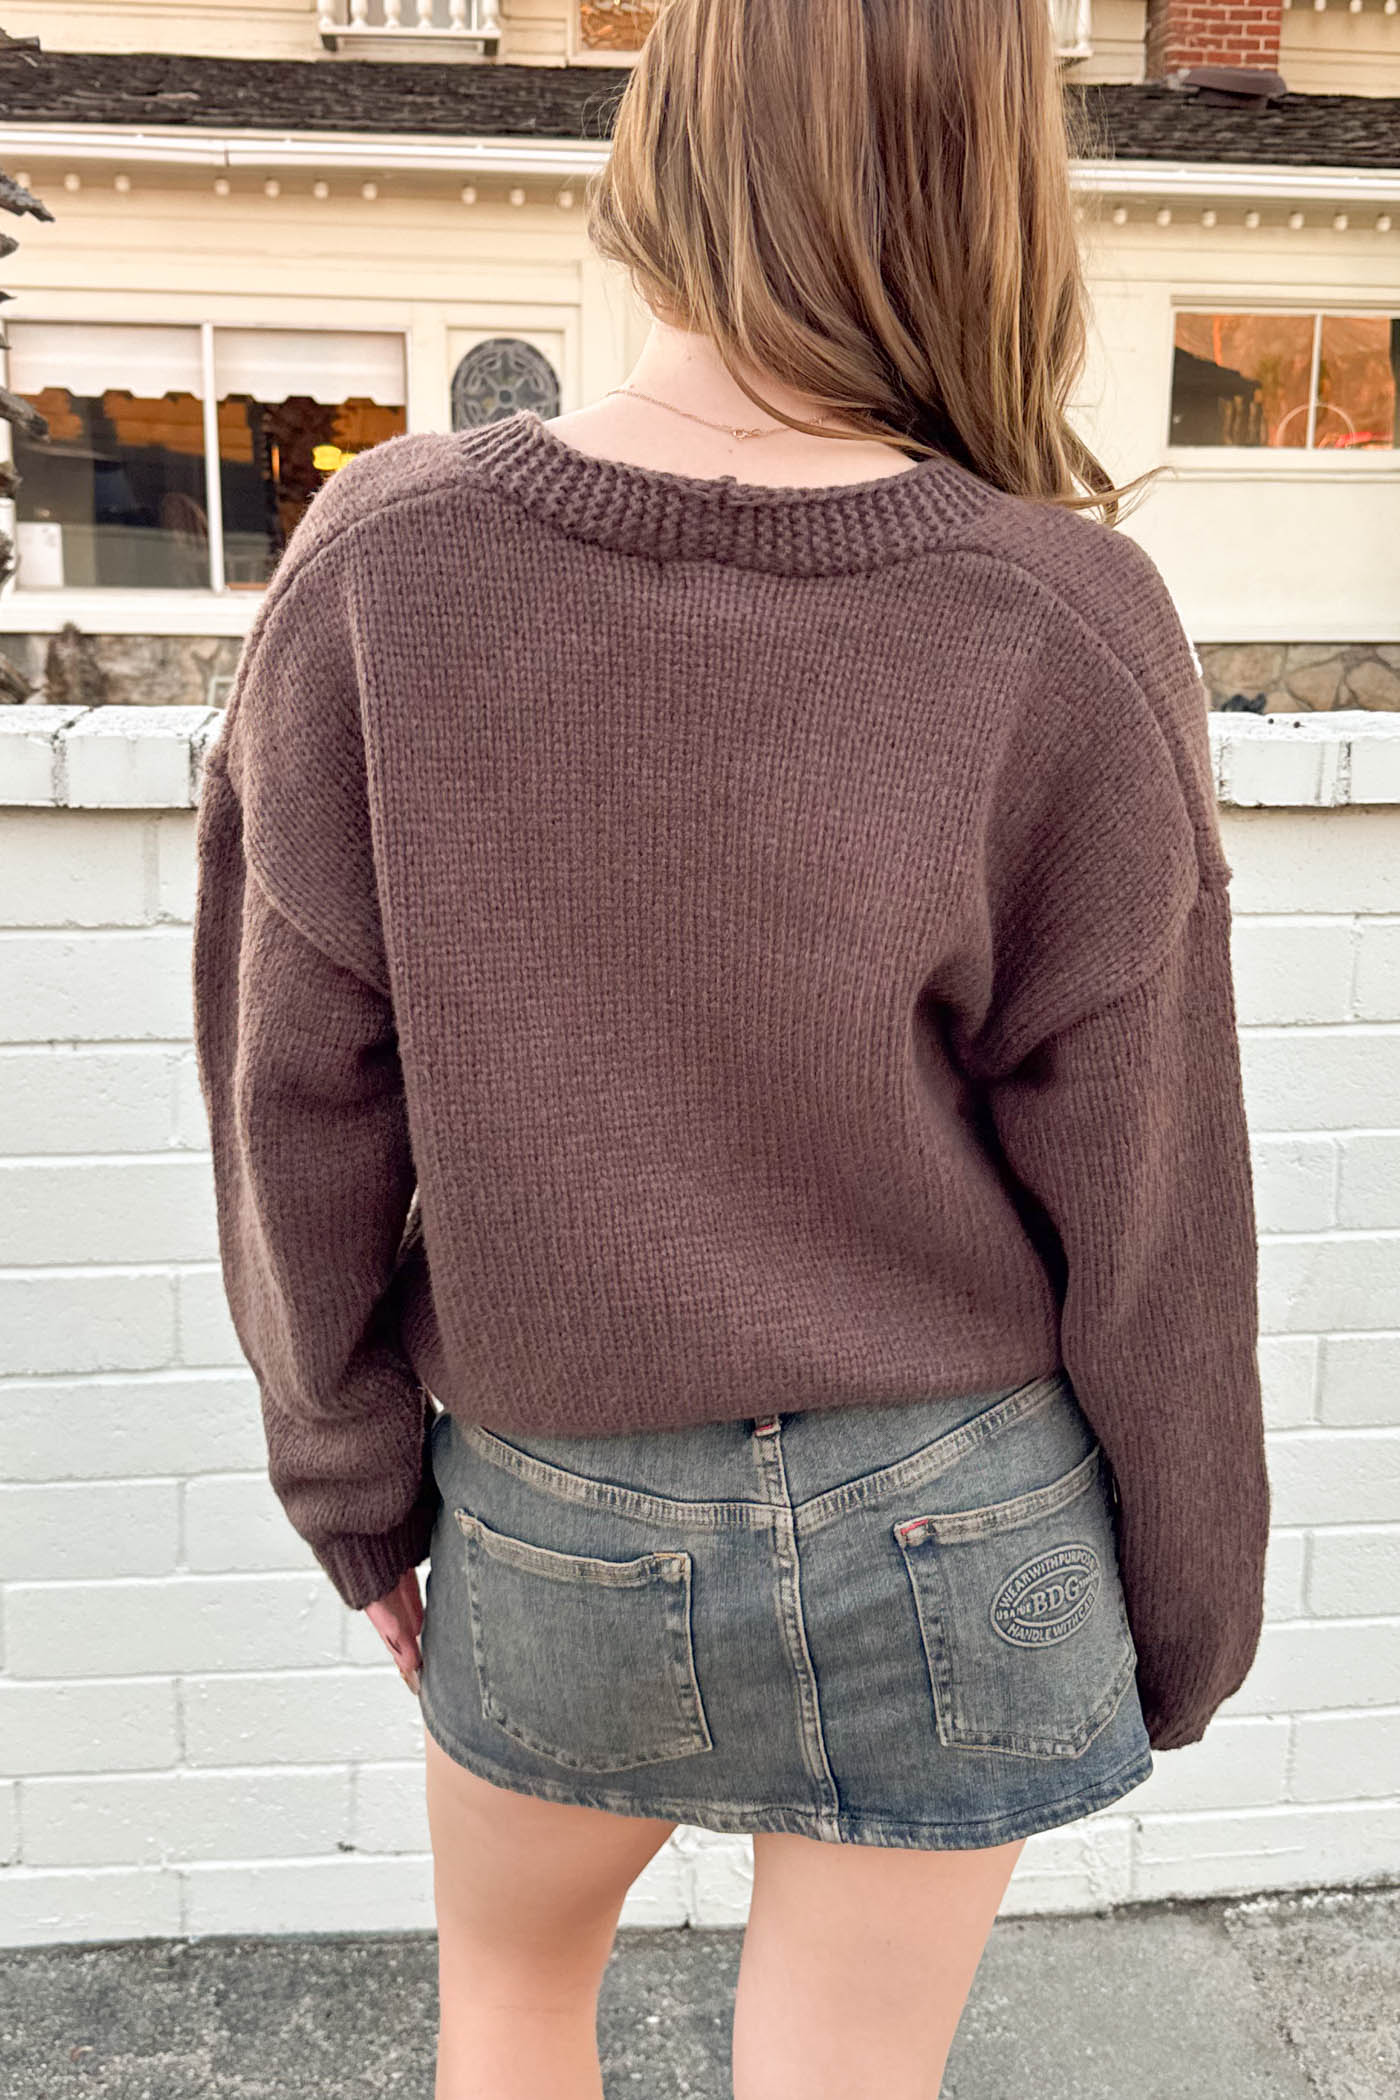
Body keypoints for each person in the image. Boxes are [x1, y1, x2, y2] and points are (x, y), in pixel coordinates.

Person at [191, 3, 1271, 2095]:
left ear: (670, 140)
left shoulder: (384, 566)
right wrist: (1190, 1586)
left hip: (556, 1494)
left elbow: (288, 1098)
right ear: (992, 190)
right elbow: (1151, 1182)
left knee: (510, 2014)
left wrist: (349, 1483)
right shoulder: (1061, 612)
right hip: (967, 1503)